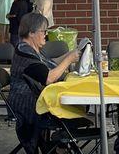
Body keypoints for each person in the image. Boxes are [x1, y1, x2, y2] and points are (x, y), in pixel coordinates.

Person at [8, 13, 79, 154]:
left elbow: (49, 65)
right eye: (43, 31)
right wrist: (69, 60)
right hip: (27, 104)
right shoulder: (25, 53)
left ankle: (58, 145)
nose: (45, 35)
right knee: (72, 110)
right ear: (31, 32)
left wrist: (69, 55)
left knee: (72, 106)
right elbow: (48, 77)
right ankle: (59, 146)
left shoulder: (29, 49)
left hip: (35, 99)